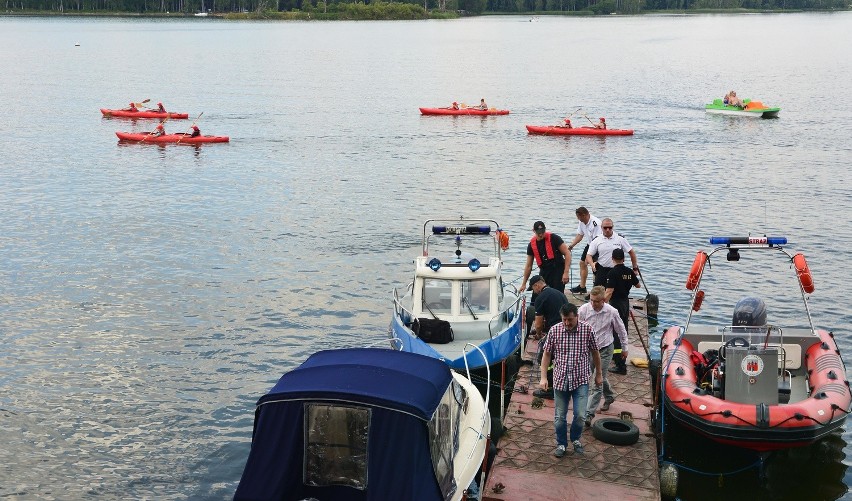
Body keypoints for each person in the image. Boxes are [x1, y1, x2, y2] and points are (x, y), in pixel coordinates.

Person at [539, 303, 602, 457]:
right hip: (560, 379)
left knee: (580, 415)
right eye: (564, 320)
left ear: (577, 317)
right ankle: (561, 443)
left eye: (570, 320)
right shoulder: (555, 330)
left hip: (580, 379)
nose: (567, 323)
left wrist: (599, 374)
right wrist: (543, 377)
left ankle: (575, 439)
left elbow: (595, 353)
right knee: (560, 417)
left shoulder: (587, 330)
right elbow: (546, 354)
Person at [579, 286, 628, 425]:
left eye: (596, 301)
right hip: (589, 349)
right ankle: (610, 395)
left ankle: (588, 414)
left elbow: (621, 330)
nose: (593, 304)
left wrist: (625, 348)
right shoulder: (583, 310)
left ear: (603, 300)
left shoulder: (612, 312)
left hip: (605, 349)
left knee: (597, 381)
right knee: (599, 375)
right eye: (591, 300)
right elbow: (577, 328)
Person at [527, 275, 569, 399]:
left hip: (555, 331)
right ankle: (562, 382)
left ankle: (549, 388)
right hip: (567, 328)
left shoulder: (541, 298)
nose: (534, 292)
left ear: (537, 285)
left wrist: (539, 335)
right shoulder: (559, 293)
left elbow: (538, 324)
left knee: (544, 357)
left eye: (533, 289)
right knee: (560, 357)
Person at [605, 248, 641, 375]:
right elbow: (638, 286)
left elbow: (609, 291)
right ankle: (620, 360)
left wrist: (601, 304)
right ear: (624, 259)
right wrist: (633, 275)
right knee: (623, 329)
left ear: (612, 259)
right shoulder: (629, 272)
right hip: (625, 302)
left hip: (616, 303)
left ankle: (620, 364)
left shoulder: (612, 273)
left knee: (615, 332)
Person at [520, 221, 572, 295]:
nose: (541, 235)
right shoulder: (531, 245)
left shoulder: (554, 238)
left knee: (557, 294)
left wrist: (566, 273)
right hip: (544, 272)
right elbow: (528, 266)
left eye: (542, 232)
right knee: (538, 294)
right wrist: (524, 283)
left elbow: (567, 253)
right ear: (534, 231)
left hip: (557, 270)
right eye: (538, 233)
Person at [585, 218, 638, 289]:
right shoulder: (597, 240)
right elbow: (589, 255)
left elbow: (631, 252)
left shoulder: (620, 239)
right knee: (598, 291)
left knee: (617, 291)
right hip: (602, 269)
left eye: (610, 228)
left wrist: (634, 268)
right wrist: (592, 265)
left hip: (617, 269)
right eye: (605, 228)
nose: (607, 230)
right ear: (601, 228)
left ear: (613, 227)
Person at [567, 207, 602, 295]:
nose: (578, 219)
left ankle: (596, 291)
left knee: (595, 267)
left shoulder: (596, 223)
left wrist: (589, 256)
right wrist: (571, 245)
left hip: (598, 246)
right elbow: (580, 235)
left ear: (584, 215)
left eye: (579, 217)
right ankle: (582, 287)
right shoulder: (581, 222)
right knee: (582, 263)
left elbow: (597, 240)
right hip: (590, 244)